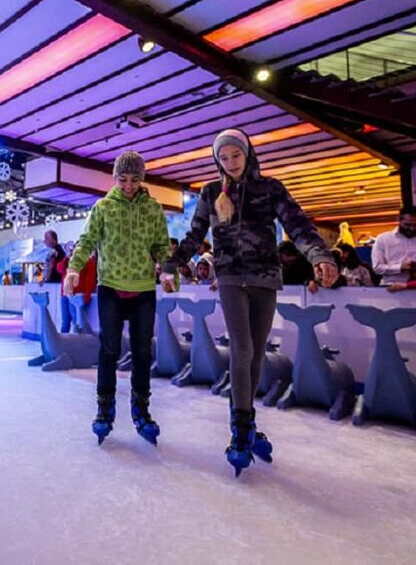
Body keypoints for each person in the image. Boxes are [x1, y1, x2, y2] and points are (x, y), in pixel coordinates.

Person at [164, 129, 337, 476]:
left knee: (256, 353)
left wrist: (321, 255)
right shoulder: (212, 192)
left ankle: (248, 420)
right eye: (223, 158)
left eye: (235, 156)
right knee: (241, 350)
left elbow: (297, 224)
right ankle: (240, 428)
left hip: (264, 278)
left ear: (248, 154)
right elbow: (196, 235)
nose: (230, 164)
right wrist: (170, 264)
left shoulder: (270, 188)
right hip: (229, 277)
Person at [65, 151, 169, 446]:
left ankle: (142, 410)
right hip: (110, 286)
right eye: (122, 179)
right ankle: (104, 409)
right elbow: (87, 240)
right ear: (115, 178)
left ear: (142, 179)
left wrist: (167, 268)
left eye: (135, 179)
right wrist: (73, 268)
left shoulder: (152, 208)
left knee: (142, 353)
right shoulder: (103, 207)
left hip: (143, 289)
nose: (128, 185)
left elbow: (162, 245)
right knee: (109, 350)